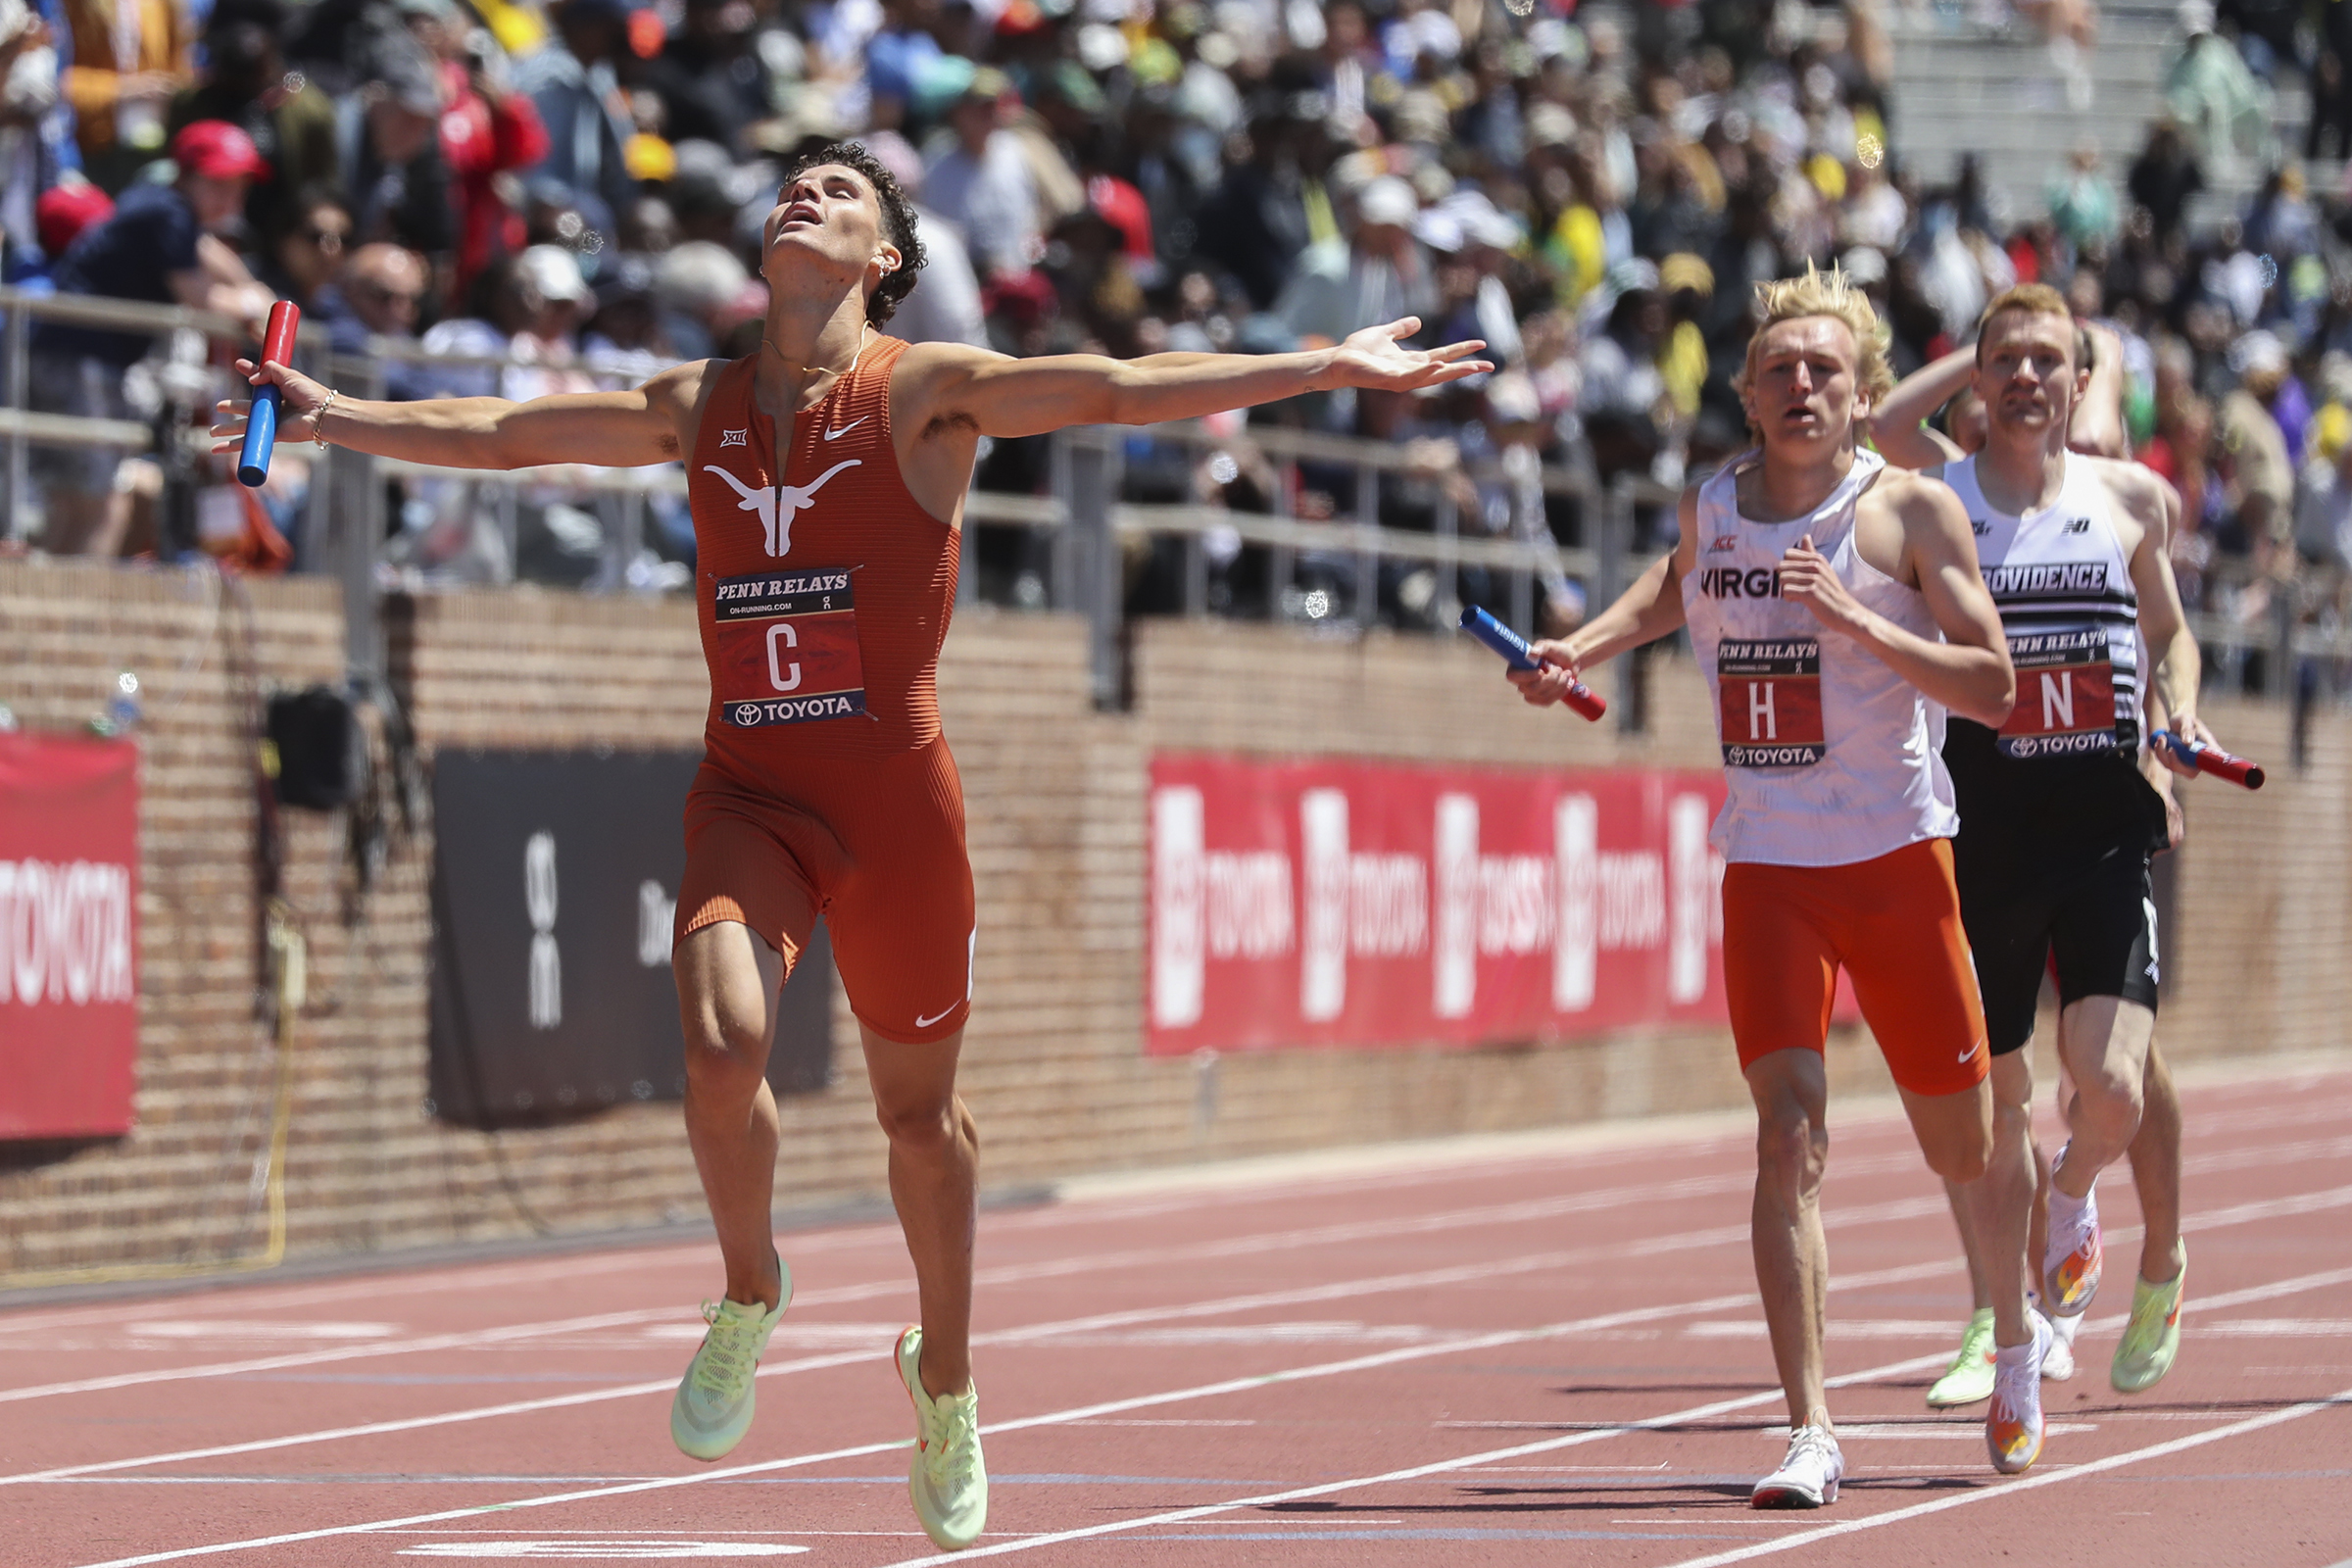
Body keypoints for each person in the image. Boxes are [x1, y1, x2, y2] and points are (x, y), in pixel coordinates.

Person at [215, 139, 1489, 1552]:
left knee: (917, 1126)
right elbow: (510, 438)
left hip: (895, 810)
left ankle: (945, 1377)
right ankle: (751, 1291)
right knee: (716, 1043)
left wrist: (1324, 366)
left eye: (840, 194)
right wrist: (331, 414)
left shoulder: (926, 393)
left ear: (882, 259)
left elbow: (1120, 391)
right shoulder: (693, 403)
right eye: (793, 185)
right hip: (751, 792)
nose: (801, 196)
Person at [1510, 265, 2020, 1501]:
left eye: (1824, 371)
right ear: (1744, 395)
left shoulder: (1909, 514)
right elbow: (1668, 587)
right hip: (1774, 864)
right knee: (1786, 1132)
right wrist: (1575, 644)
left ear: (1862, 397)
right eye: (1779, 369)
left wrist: (1859, 619)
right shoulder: (1717, 506)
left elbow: (1994, 685)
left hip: (1898, 858)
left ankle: (2013, 1335)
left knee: (1966, 1144)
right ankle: (1810, 1426)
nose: (1801, 386)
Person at [1875, 309, 2199, 1405]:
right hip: (1981, 829)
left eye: (2045, 361)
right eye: (2002, 360)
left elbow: (2169, 635)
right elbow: (1879, 417)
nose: (2023, 378)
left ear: (2081, 380)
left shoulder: (2128, 498)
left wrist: (2180, 716)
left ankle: (2082, 1201)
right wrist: (1970, 355)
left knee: (2109, 1086)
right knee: (1997, 1098)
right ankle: (2001, 1321)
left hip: (2103, 818)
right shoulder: (1939, 492)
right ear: (1975, 380)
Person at [33, 118, 273, 554]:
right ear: (187, 175)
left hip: (73, 357)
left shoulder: (162, 206)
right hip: (85, 360)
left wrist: (253, 292)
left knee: (71, 507)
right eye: (219, 182)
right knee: (101, 507)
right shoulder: (168, 212)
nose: (231, 196)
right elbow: (199, 298)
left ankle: (39, 615)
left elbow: (208, 254)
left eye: (239, 185)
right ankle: (76, 620)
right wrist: (254, 305)